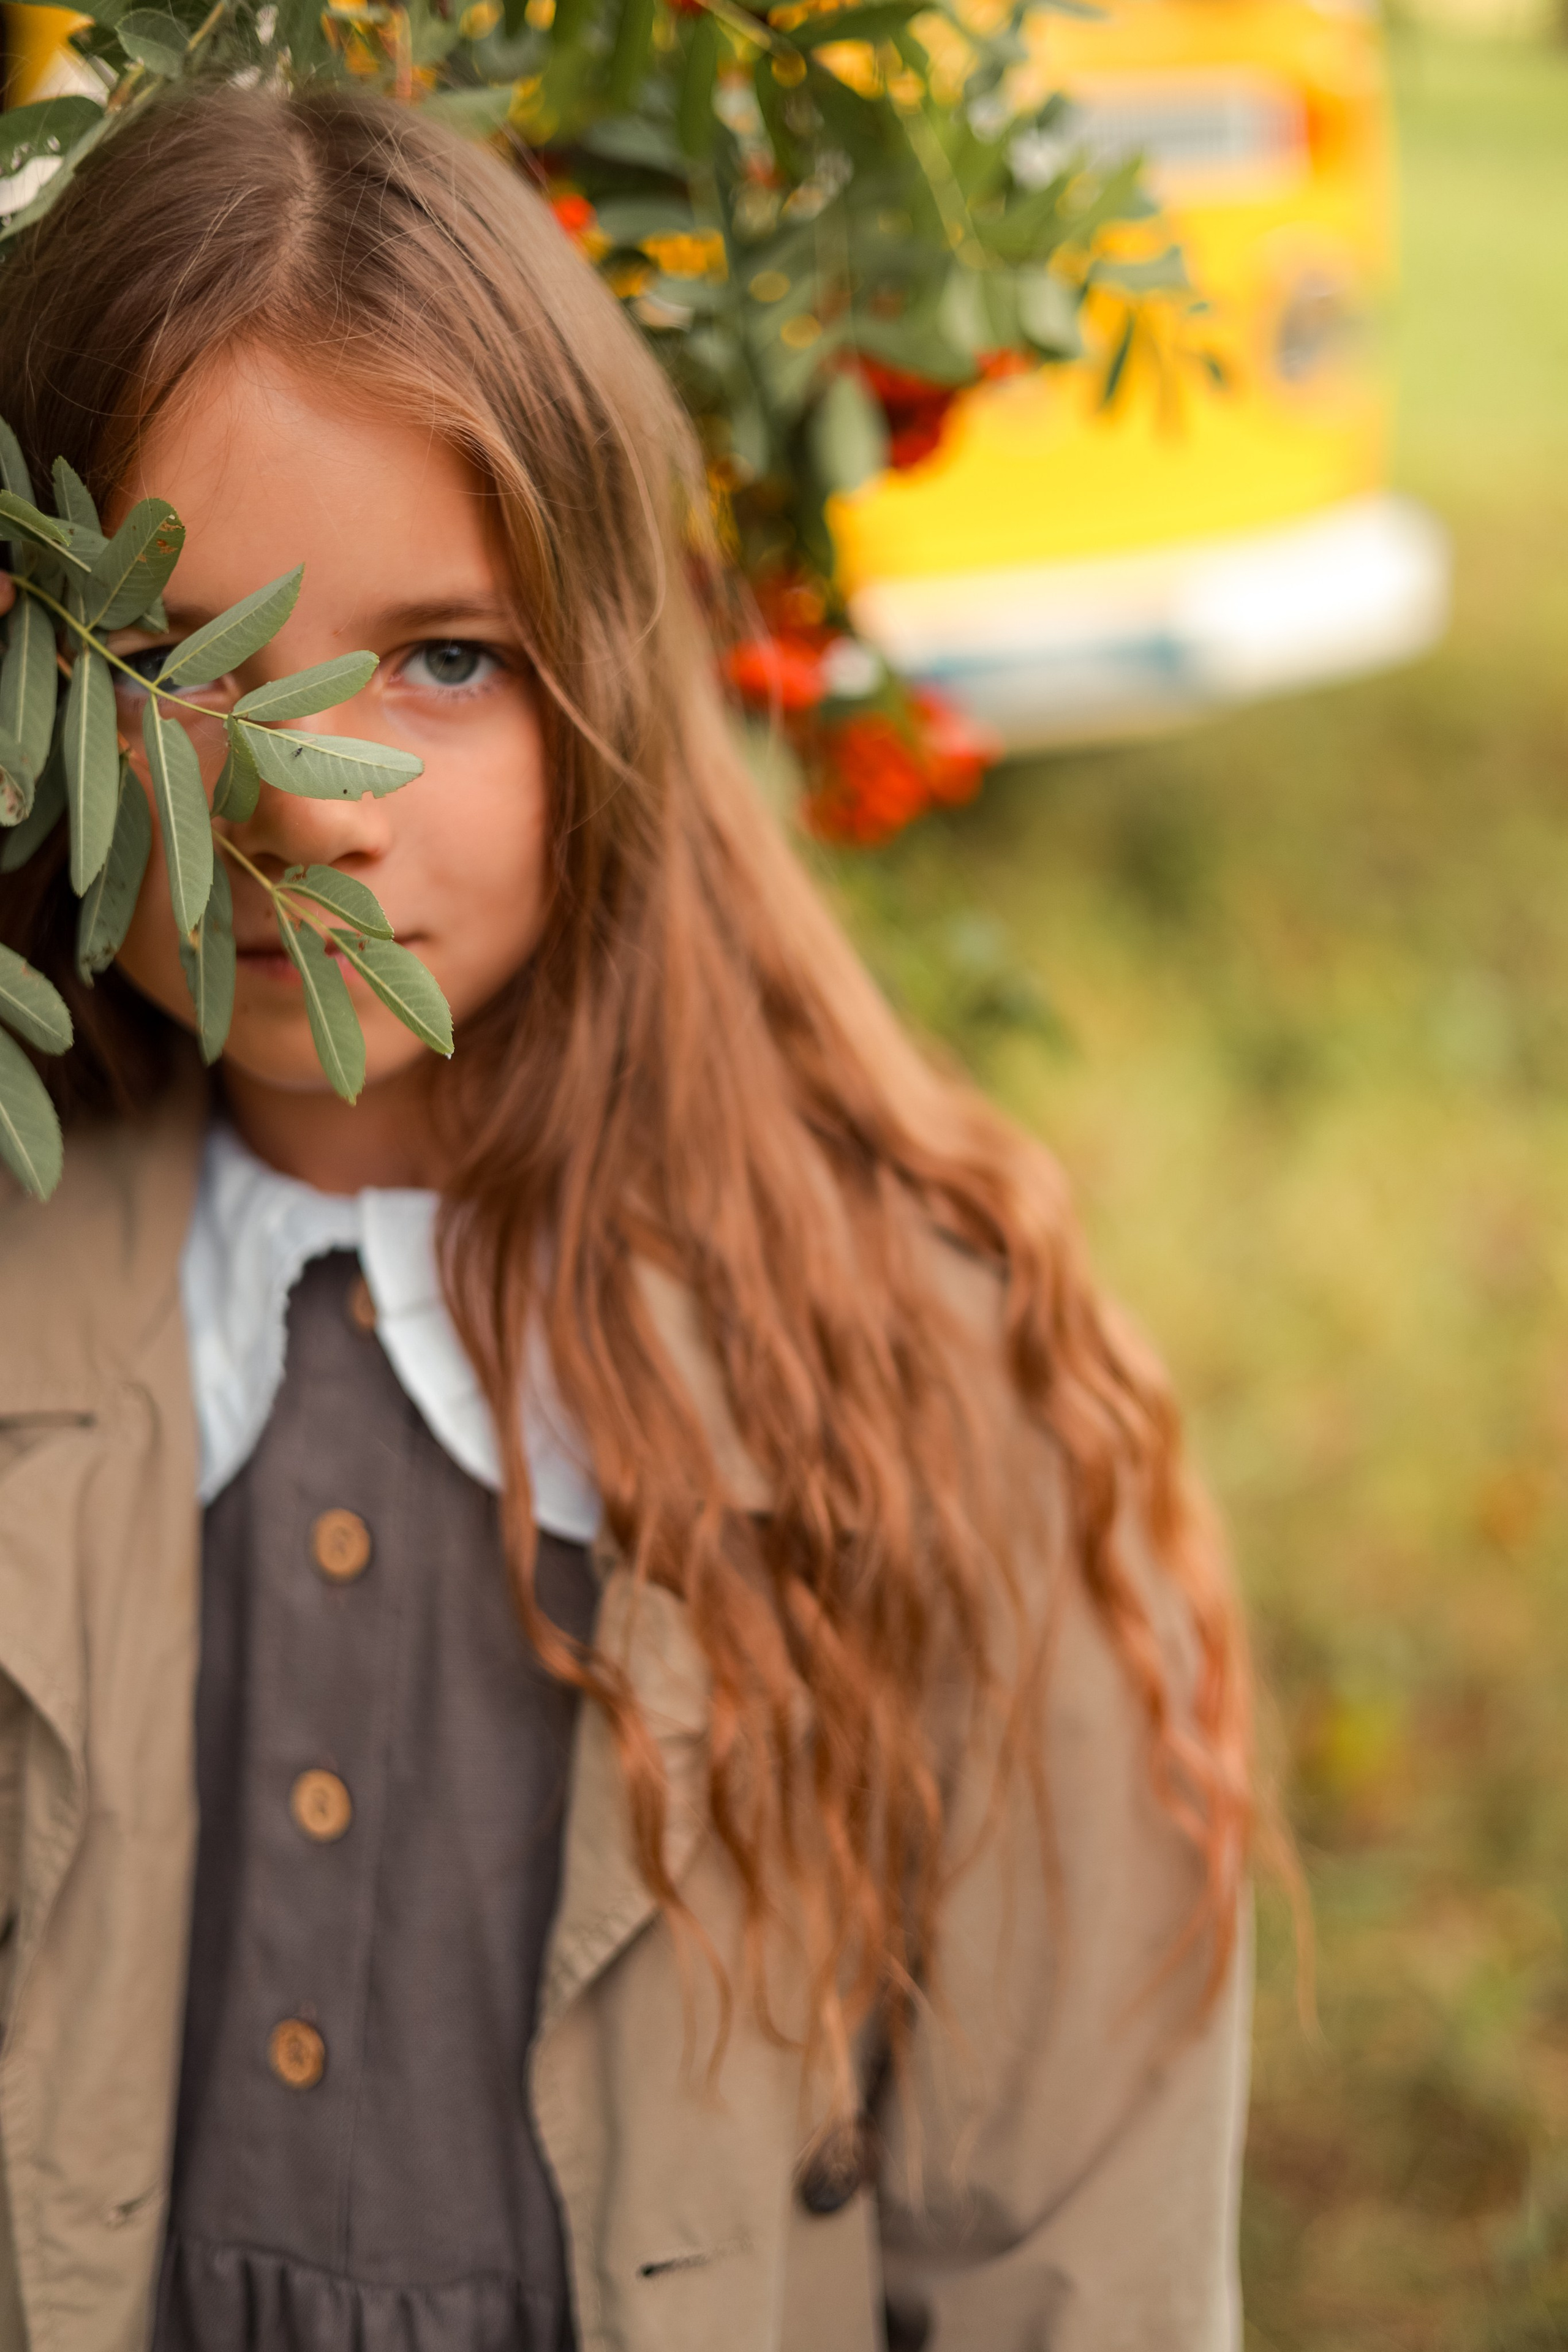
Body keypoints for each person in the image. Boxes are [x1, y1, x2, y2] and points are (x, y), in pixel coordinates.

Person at [0, 80, 1253, 2352]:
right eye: (175, 658)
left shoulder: (916, 1387)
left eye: (441, 659)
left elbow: (1075, 2250)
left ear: (616, 691)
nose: (306, 805)